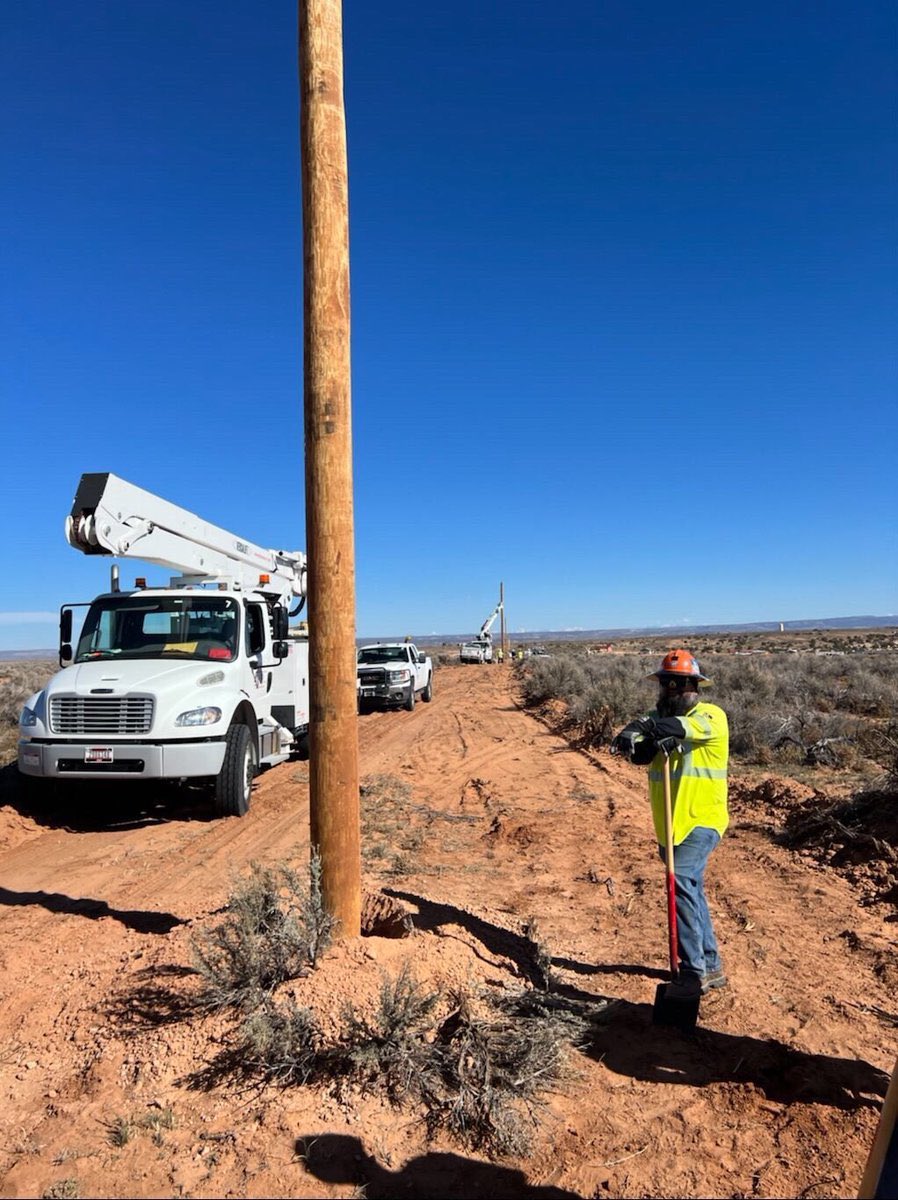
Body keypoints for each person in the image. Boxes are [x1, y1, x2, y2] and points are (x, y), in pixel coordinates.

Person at [610, 649, 729, 1000]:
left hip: (701, 820)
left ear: (696, 686)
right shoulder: (657, 716)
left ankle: (693, 973)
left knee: (681, 885)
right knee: (692, 889)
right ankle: (710, 963)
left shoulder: (711, 716)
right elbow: (642, 748)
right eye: (668, 685)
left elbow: (679, 728)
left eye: (681, 685)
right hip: (669, 826)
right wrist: (635, 741)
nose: (674, 691)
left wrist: (649, 727)